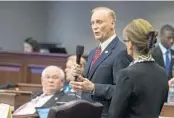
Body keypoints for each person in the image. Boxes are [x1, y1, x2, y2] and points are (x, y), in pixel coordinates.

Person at [70, 7, 132, 117]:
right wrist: (80, 77)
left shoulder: (121, 52)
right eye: (92, 23)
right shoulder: (94, 51)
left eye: (99, 22)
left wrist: (94, 87)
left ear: (112, 24)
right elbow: (91, 80)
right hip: (86, 111)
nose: (95, 27)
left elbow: (122, 91)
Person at [108, 19, 169, 118]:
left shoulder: (127, 75)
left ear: (131, 44)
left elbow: (114, 115)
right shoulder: (163, 73)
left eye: (126, 41)